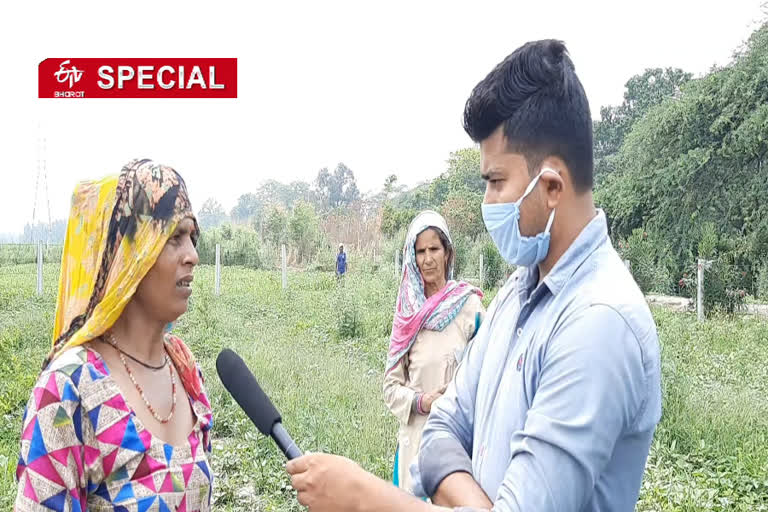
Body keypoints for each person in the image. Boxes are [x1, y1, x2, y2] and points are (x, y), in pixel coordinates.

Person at [286, 39, 661, 512]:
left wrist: (363, 497)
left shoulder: (598, 324)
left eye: (496, 182)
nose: (488, 203)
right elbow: (440, 434)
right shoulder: (515, 295)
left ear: (549, 188)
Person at [14, 159, 214, 511]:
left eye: (193, 238)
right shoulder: (69, 389)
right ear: (127, 254)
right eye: (174, 238)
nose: (193, 256)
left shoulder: (184, 370)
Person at [383, 211, 484, 494]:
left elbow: (489, 379)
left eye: (434, 249)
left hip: (459, 448)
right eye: (420, 251)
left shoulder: (470, 308)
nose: (427, 258)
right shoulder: (407, 317)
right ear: (411, 259)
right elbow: (390, 389)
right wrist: (422, 402)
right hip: (414, 446)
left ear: (448, 253)